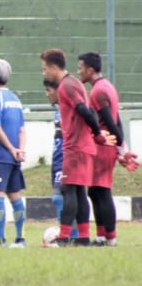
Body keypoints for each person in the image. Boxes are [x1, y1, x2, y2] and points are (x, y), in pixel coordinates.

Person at [40, 48, 115, 246]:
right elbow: (88, 109)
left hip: (76, 146)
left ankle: (63, 238)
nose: (44, 73)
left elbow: (85, 111)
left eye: (44, 68)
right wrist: (95, 135)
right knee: (80, 192)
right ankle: (83, 238)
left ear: (54, 67)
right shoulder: (73, 83)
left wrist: (97, 134)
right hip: (82, 145)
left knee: (68, 190)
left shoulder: (67, 86)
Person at [77, 52, 138, 246]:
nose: (78, 71)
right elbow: (117, 120)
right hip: (107, 146)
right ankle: (102, 236)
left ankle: (110, 238)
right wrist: (122, 148)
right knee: (94, 192)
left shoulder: (98, 91)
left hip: (103, 148)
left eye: (80, 68)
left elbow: (111, 123)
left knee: (101, 192)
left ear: (90, 70)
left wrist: (120, 149)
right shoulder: (106, 87)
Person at [0, 59, 27, 247]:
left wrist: (10, 149)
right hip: (14, 157)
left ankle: (0, 240)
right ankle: (20, 238)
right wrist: (20, 150)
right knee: (15, 196)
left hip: (0, 155)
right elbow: (22, 129)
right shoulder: (15, 99)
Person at [43, 78, 78, 241]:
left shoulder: (68, 109)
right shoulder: (57, 110)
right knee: (62, 196)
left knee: (60, 196)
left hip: (66, 158)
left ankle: (69, 235)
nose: (47, 95)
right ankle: (70, 235)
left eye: (49, 91)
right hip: (57, 157)